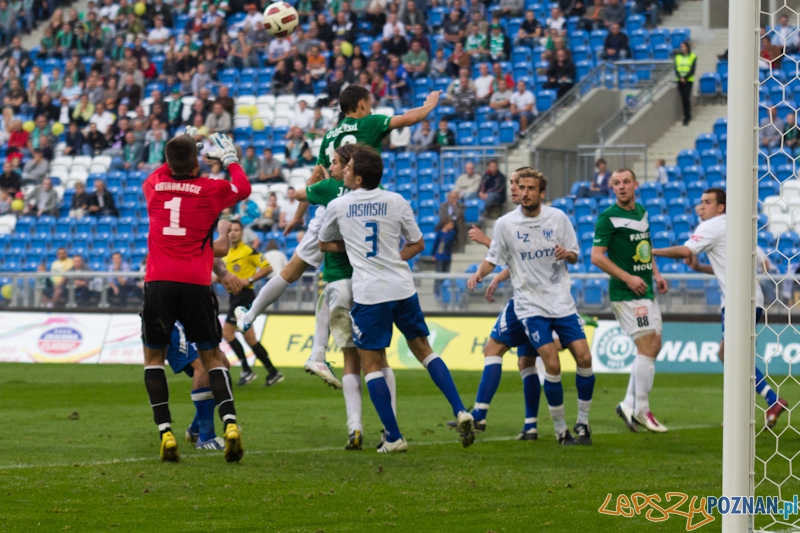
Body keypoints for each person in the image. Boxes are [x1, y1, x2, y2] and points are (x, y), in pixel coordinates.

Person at [234, 85, 443, 355]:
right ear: (361, 105)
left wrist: (298, 216)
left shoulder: (329, 136)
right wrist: (430, 103)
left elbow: (316, 178)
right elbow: (411, 119)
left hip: (329, 207)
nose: (371, 108)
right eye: (369, 103)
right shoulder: (370, 123)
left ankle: (253, 317)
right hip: (360, 206)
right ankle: (352, 344)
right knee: (358, 272)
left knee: (292, 272)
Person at [319, 146, 476, 452]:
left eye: (349, 168)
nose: (345, 171)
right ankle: (460, 409)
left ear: (359, 177)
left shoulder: (339, 205)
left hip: (370, 292)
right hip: (402, 288)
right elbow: (418, 244)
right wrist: (391, 258)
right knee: (425, 350)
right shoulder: (396, 200)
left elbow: (325, 244)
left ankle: (393, 437)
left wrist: (353, 249)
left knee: (371, 363)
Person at [141, 130, 251, 463]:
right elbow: (243, 188)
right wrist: (230, 160)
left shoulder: (153, 187)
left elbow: (165, 167)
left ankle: (166, 432)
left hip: (159, 282)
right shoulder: (209, 190)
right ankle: (230, 424)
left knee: (153, 360)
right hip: (195, 284)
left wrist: (185, 144)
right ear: (197, 162)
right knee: (213, 357)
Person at [467, 169, 594, 445]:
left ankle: (583, 423)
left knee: (584, 358)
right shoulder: (505, 224)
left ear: (541, 192)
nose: (524, 193)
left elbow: (574, 255)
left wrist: (566, 254)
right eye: (521, 187)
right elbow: (495, 257)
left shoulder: (558, 218)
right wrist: (479, 274)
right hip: (530, 306)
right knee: (551, 362)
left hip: (561, 302)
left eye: (530, 188)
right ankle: (561, 431)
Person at [652, 188, 788, 428]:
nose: (701, 207)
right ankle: (766, 402)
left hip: (738, 301)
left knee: (734, 357)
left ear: (720, 207)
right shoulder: (735, 226)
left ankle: (754, 408)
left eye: (707, 202)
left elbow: (685, 251)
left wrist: (653, 251)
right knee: (729, 355)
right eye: (701, 202)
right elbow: (732, 267)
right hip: (750, 298)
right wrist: (699, 268)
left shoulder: (712, 226)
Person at [451, 169, 544, 440]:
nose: (515, 188)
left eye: (520, 184)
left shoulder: (518, 221)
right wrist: (499, 277)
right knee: (526, 361)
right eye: (513, 184)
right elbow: (519, 260)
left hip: (528, 300)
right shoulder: (523, 220)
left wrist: (486, 245)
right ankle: (531, 425)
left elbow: (521, 255)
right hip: (539, 297)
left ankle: (479, 416)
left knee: (493, 348)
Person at [591, 168, 669, 433]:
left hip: (645, 288)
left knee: (654, 345)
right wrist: (627, 278)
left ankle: (627, 403)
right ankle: (642, 410)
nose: (622, 186)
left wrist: (656, 274)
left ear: (636, 184)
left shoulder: (642, 212)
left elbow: (645, 248)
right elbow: (597, 256)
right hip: (627, 293)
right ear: (612, 188)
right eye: (616, 183)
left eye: (626, 182)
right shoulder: (608, 217)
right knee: (647, 345)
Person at [220, 220, 282, 387]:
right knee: (250, 339)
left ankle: (247, 370)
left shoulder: (248, 251)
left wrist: (249, 279)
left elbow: (267, 268)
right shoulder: (227, 253)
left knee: (228, 333)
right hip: (234, 296)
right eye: (230, 230)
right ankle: (272, 371)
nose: (232, 233)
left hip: (244, 296)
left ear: (242, 234)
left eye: (236, 230)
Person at [675, 41, 696, 126]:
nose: (683, 48)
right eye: (682, 47)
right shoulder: (677, 57)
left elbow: (692, 69)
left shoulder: (692, 56)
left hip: (688, 80)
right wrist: (680, 77)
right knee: (683, 98)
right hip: (680, 80)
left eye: (684, 46)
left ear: (687, 47)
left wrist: (685, 77)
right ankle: (685, 115)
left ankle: (687, 116)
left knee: (686, 97)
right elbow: (676, 68)